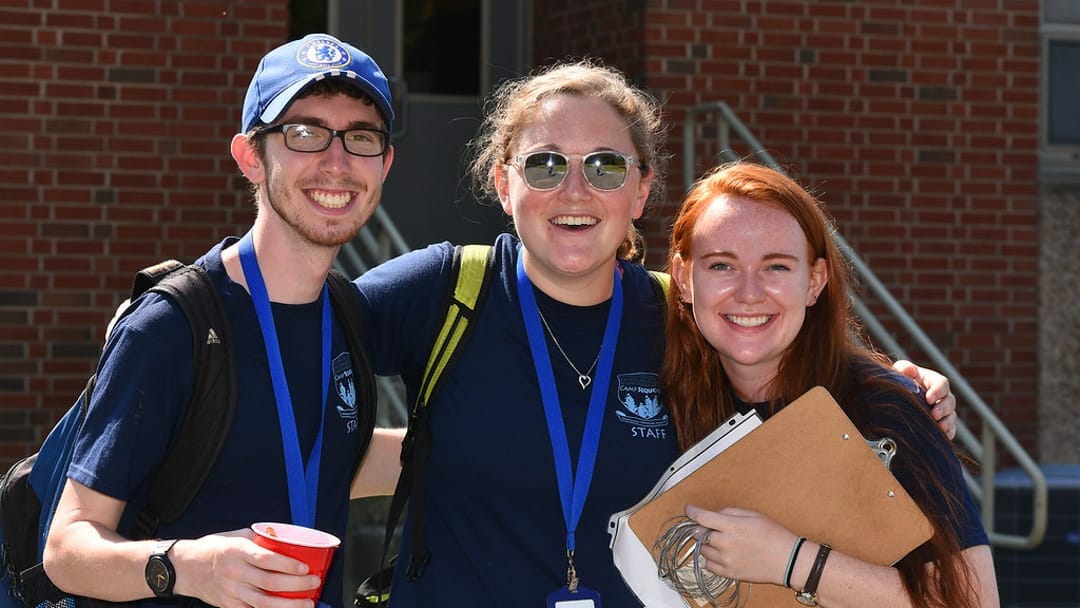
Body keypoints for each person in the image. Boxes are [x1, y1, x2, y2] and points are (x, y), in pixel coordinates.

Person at [347, 60, 961, 607]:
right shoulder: (443, 288)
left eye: (606, 166)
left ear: (640, 190)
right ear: (505, 185)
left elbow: (797, 378)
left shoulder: (686, 316)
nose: (575, 188)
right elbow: (280, 350)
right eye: (545, 163)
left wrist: (895, 389)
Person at [42, 33, 394, 608]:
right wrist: (188, 566)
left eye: (360, 137)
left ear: (385, 164)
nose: (337, 162)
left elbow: (322, 454)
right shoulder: (172, 326)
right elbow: (66, 549)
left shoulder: (346, 312)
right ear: (251, 156)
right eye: (304, 133)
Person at [663, 162, 998, 607]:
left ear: (815, 282)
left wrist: (793, 561)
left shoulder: (882, 406)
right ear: (684, 279)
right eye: (722, 264)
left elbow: (974, 601)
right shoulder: (662, 402)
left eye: (776, 267)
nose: (749, 292)